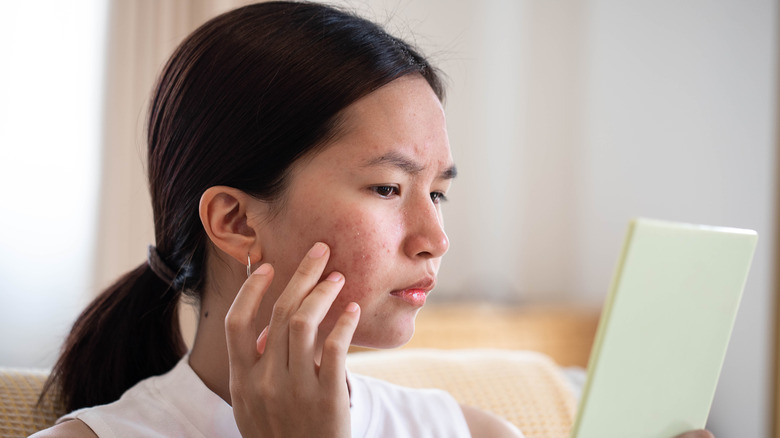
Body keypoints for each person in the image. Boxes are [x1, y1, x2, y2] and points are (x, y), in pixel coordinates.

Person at [33, 2, 716, 437]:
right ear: (236, 220)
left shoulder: (473, 434)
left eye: (439, 193)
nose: (435, 240)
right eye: (389, 188)